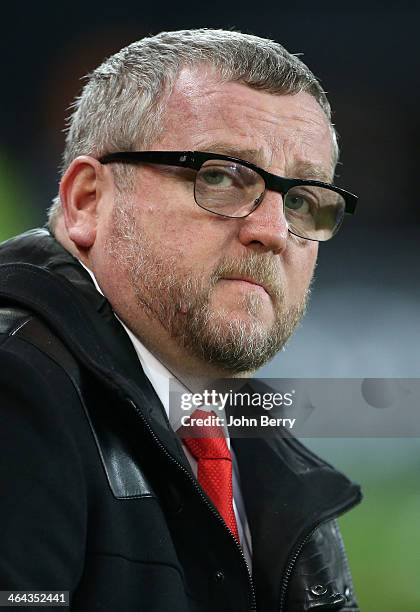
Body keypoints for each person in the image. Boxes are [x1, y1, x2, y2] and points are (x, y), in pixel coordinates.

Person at [0, 29, 362, 611]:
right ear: (88, 199)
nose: (272, 231)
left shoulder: (254, 436)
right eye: (219, 176)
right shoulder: (17, 388)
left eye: (301, 198)